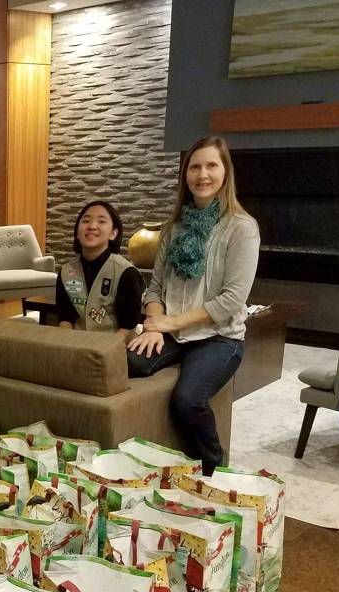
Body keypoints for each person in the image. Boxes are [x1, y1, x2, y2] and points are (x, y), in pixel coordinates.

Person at [127, 135, 260, 475]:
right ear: (185, 174)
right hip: (171, 331)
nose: (203, 174)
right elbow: (154, 287)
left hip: (219, 338)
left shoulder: (241, 229)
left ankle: (214, 468)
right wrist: (155, 323)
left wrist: (171, 324)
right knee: (126, 364)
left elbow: (232, 300)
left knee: (187, 401)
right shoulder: (173, 228)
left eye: (211, 165)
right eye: (195, 166)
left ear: (225, 173)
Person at [55, 200, 144, 338]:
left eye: (101, 221)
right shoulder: (66, 272)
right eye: (86, 221)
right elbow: (65, 319)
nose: (92, 226)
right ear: (77, 233)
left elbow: (128, 328)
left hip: (113, 348)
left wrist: (102, 353)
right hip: (76, 345)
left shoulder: (126, 273)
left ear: (113, 234)